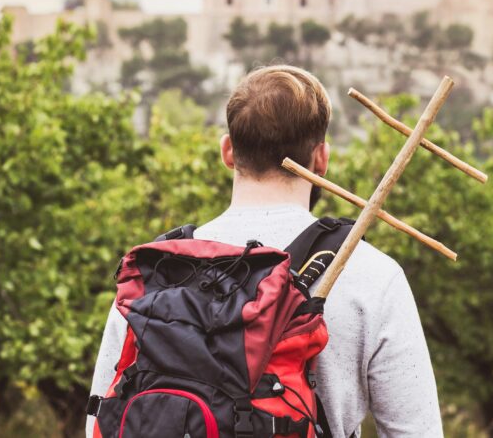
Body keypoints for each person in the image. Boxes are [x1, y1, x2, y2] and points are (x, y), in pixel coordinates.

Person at [87, 65, 443, 437]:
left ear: (227, 151)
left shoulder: (155, 273)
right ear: (321, 159)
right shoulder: (372, 275)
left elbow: (100, 419)